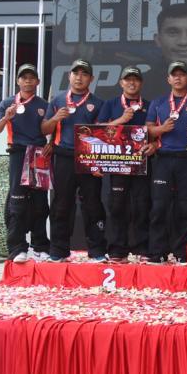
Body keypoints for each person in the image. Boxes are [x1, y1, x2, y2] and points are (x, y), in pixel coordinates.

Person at [41, 58, 107, 262]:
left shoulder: (97, 103)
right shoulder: (58, 101)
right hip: (63, 157)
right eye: (76, 73)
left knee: (93, 205)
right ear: (69, 76)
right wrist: (54, 119)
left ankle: (96, 250)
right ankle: (58, 250)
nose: (79, 78)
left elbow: (102, 137)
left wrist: (97, 163)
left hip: (88, 159)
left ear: (91, 78)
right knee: (61, 204)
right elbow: (44, 129)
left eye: (84, 74)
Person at [145, 61, 187, 264]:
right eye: (175, 75)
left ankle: (183, 252)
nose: (178, 78)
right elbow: (147, 130)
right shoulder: (158, 103)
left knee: (186, 206)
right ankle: (157, 252)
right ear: (168, 79)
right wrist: (160, 129)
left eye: (182, 75)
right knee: (159, 207)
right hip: (163, 159)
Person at [0, 63, 50, 263]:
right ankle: (17, 248)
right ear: (18, 81)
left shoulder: (43, 105)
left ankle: (40, 246)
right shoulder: (8, 103)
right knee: (17, 202)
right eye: (24, 78)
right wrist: (6, 118)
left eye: (31, 78)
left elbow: (51, 131)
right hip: (17, 153)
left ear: (38, 82)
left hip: (39, 154)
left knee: (40, 202)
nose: (27, 81)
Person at [97, 66, 151, 263]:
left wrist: (153, 144)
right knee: (117, 206)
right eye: (127, 79)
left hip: (141, 163)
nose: (131, 83)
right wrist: (121, 120)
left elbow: (154, 131)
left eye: (135, 79)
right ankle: (117, 249)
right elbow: (98, 131)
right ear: (121, 83)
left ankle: (143, 248)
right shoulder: (110, 104)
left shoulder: (149, 105)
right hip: (118, 164)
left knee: (142, 205)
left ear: (141, 83)